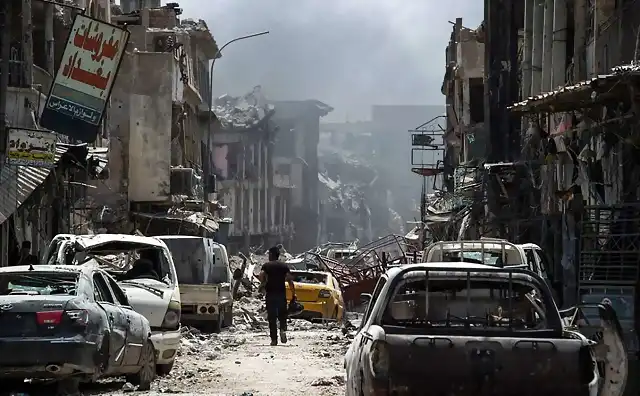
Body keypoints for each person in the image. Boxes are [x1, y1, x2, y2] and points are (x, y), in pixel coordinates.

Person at [259, 246, 296, 346]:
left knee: (272, 318)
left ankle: (274, 340)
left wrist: (263, 284)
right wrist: (293, 294)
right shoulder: (284, 266)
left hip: (270, 295)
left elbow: (261, 275)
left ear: (271, 254)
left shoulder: (266, 266)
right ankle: (283, 330)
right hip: (281, 294)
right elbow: (290, 280)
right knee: (282, 315)